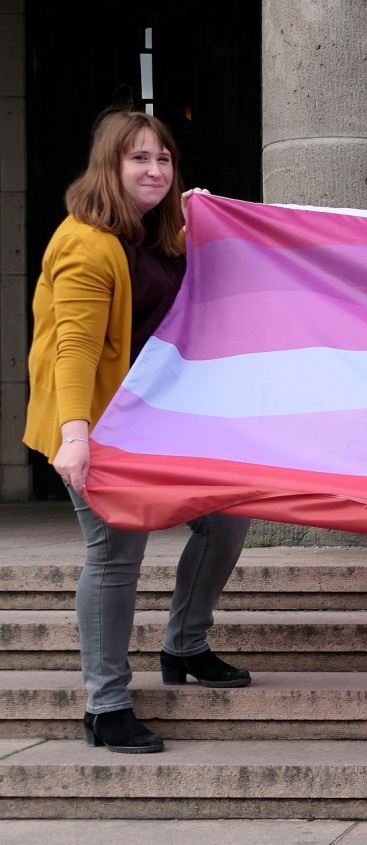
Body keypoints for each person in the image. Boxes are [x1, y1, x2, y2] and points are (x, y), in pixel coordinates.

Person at [23, 110, 253, 754]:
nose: (155, 171)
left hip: (160, 420)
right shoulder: (84, 244)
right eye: (138, 160)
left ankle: (184, 645)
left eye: (164, 159)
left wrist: (206, 217)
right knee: (116, 553)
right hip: (99, 425)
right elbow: (74, 348)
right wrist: (76, 436)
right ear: (109, 166)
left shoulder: (157, 230)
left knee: (228, 517)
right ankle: (106, 705)